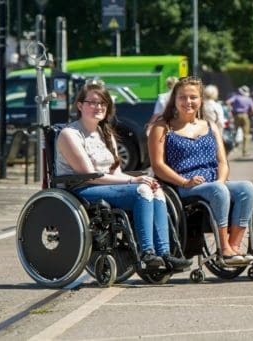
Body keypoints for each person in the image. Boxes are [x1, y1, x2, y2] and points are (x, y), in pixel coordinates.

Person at [58, 82, 191, 270]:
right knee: (142, 190)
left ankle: (165, 253)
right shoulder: (69, 134)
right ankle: (148, 252)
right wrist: (133, 180)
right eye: (93, 103)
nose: (99, 107)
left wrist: (139, 179)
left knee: (155, 189)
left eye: (103, 104)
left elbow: (116, 172)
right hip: (81, 189)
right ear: (80, 106)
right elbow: (89, 176)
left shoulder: (105, 133)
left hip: (104, 186)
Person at [149, 77, 253, 265]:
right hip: (182, 185)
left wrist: (220, 182)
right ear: (174, 99)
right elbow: (158, 165)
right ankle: (224, 250)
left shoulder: (210, 126)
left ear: (201, 100)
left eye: (193, 97)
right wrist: (184, 182)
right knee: (218, 190)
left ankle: (234, 247)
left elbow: (223, 162)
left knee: (246, 188)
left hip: (213, 183)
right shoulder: (162, 126)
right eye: (183, 97)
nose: (188, 102)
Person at [227, 85, 253, 155]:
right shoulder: (249, 99)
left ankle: (232, 148)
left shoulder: (236, 97)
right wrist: (249, 114)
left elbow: (228, 102)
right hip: (245, 116)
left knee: (234, 132)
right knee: (246, 135)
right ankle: (244, 151)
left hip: (236, 115)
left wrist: (231, 109)